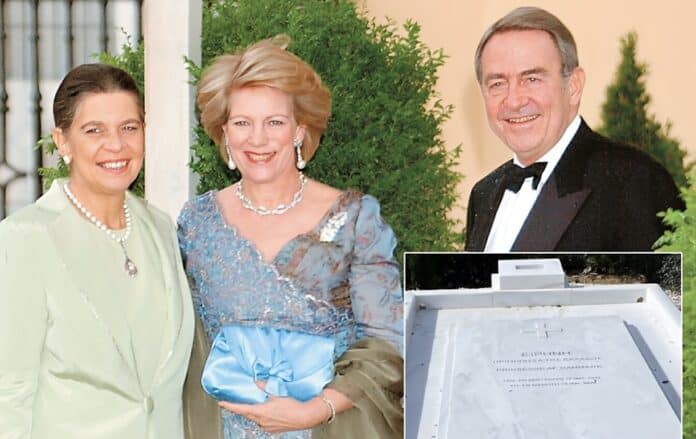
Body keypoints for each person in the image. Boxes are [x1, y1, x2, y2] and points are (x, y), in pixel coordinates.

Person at [178, 36, 403, 439]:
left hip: (329, 427)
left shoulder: (355, 220)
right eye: (242, 123)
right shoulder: (196, 224)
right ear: (224, 132)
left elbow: (387, 342)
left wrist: (315, 410)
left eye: (274, 122)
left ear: (300, 130)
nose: (257, 139)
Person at [0, 64, 194, 438]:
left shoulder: (161, 228)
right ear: (62, 141)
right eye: (94, 131)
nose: (116, 145)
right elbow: (9, 391)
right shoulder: (25, 239)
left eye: (129, 128)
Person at [465, 6, 684, 252]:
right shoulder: (483, 194)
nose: (514, 101)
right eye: (497, 84)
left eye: (532, 79)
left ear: (574, 86)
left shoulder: (634, 181)